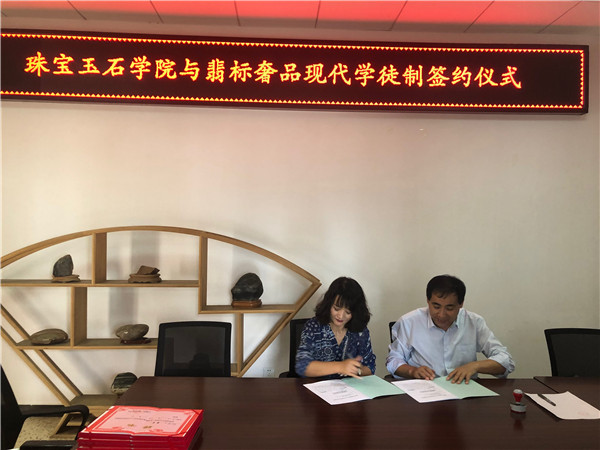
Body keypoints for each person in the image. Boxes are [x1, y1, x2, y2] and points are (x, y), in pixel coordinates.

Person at [386, 274, 514, 384]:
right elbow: (393, 360)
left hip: (462, 389)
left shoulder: (474, 322)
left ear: (461, 304)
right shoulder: (409, 322)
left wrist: (475, 366)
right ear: (428, 301)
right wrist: (412, 371)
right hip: (424, 389)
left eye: (450, 308)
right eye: (436, 306)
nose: (442, 315)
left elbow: (506, 361)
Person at [295, 277, 376, 379]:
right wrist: (340, 367)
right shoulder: (313, 327)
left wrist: (357, 370)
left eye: (348, 312)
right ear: (328, 304)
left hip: (349, 388)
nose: (341, 316)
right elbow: (302, 366)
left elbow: (370, 368)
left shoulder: (360, 331)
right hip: (317, 387)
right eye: (336, 309)